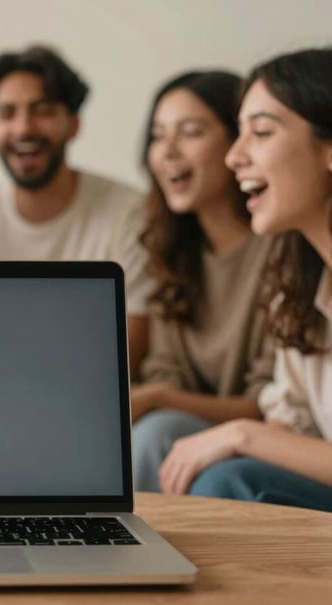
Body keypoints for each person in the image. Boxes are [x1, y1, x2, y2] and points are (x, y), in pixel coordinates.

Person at [157, 48, 332, 512]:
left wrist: (241, 434)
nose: (235, 157)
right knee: (218, 475)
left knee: (227, 480)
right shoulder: (300, 282)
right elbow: (292, 425)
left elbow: (261, 433)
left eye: (261, 132)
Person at [0, 45, 151, 378]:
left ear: (74, 124)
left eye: (43, 110)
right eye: (7, 113)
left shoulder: (130, 213)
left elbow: (128, 352)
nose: (24, 128)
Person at [130, 71, 276, 492]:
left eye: (190, 132)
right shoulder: (171, 253)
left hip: (267, 440)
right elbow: (166, 372)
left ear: (238, 144)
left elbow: (269, 407)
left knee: (155, 432)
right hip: (190, 434)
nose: (168, 151)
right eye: (157, 136)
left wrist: (158, 397)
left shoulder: (282, 251)